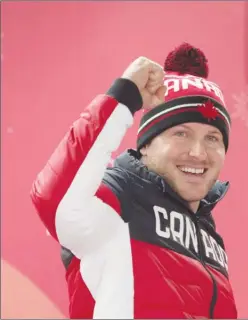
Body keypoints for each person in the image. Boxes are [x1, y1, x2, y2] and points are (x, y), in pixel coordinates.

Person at [30, 43, 237, 319]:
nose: (198, 153)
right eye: (181, 134)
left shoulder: (209, 232)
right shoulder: (118, 199)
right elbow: (53, 199)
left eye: (212, 138)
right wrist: (123, 98)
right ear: (146, 146)